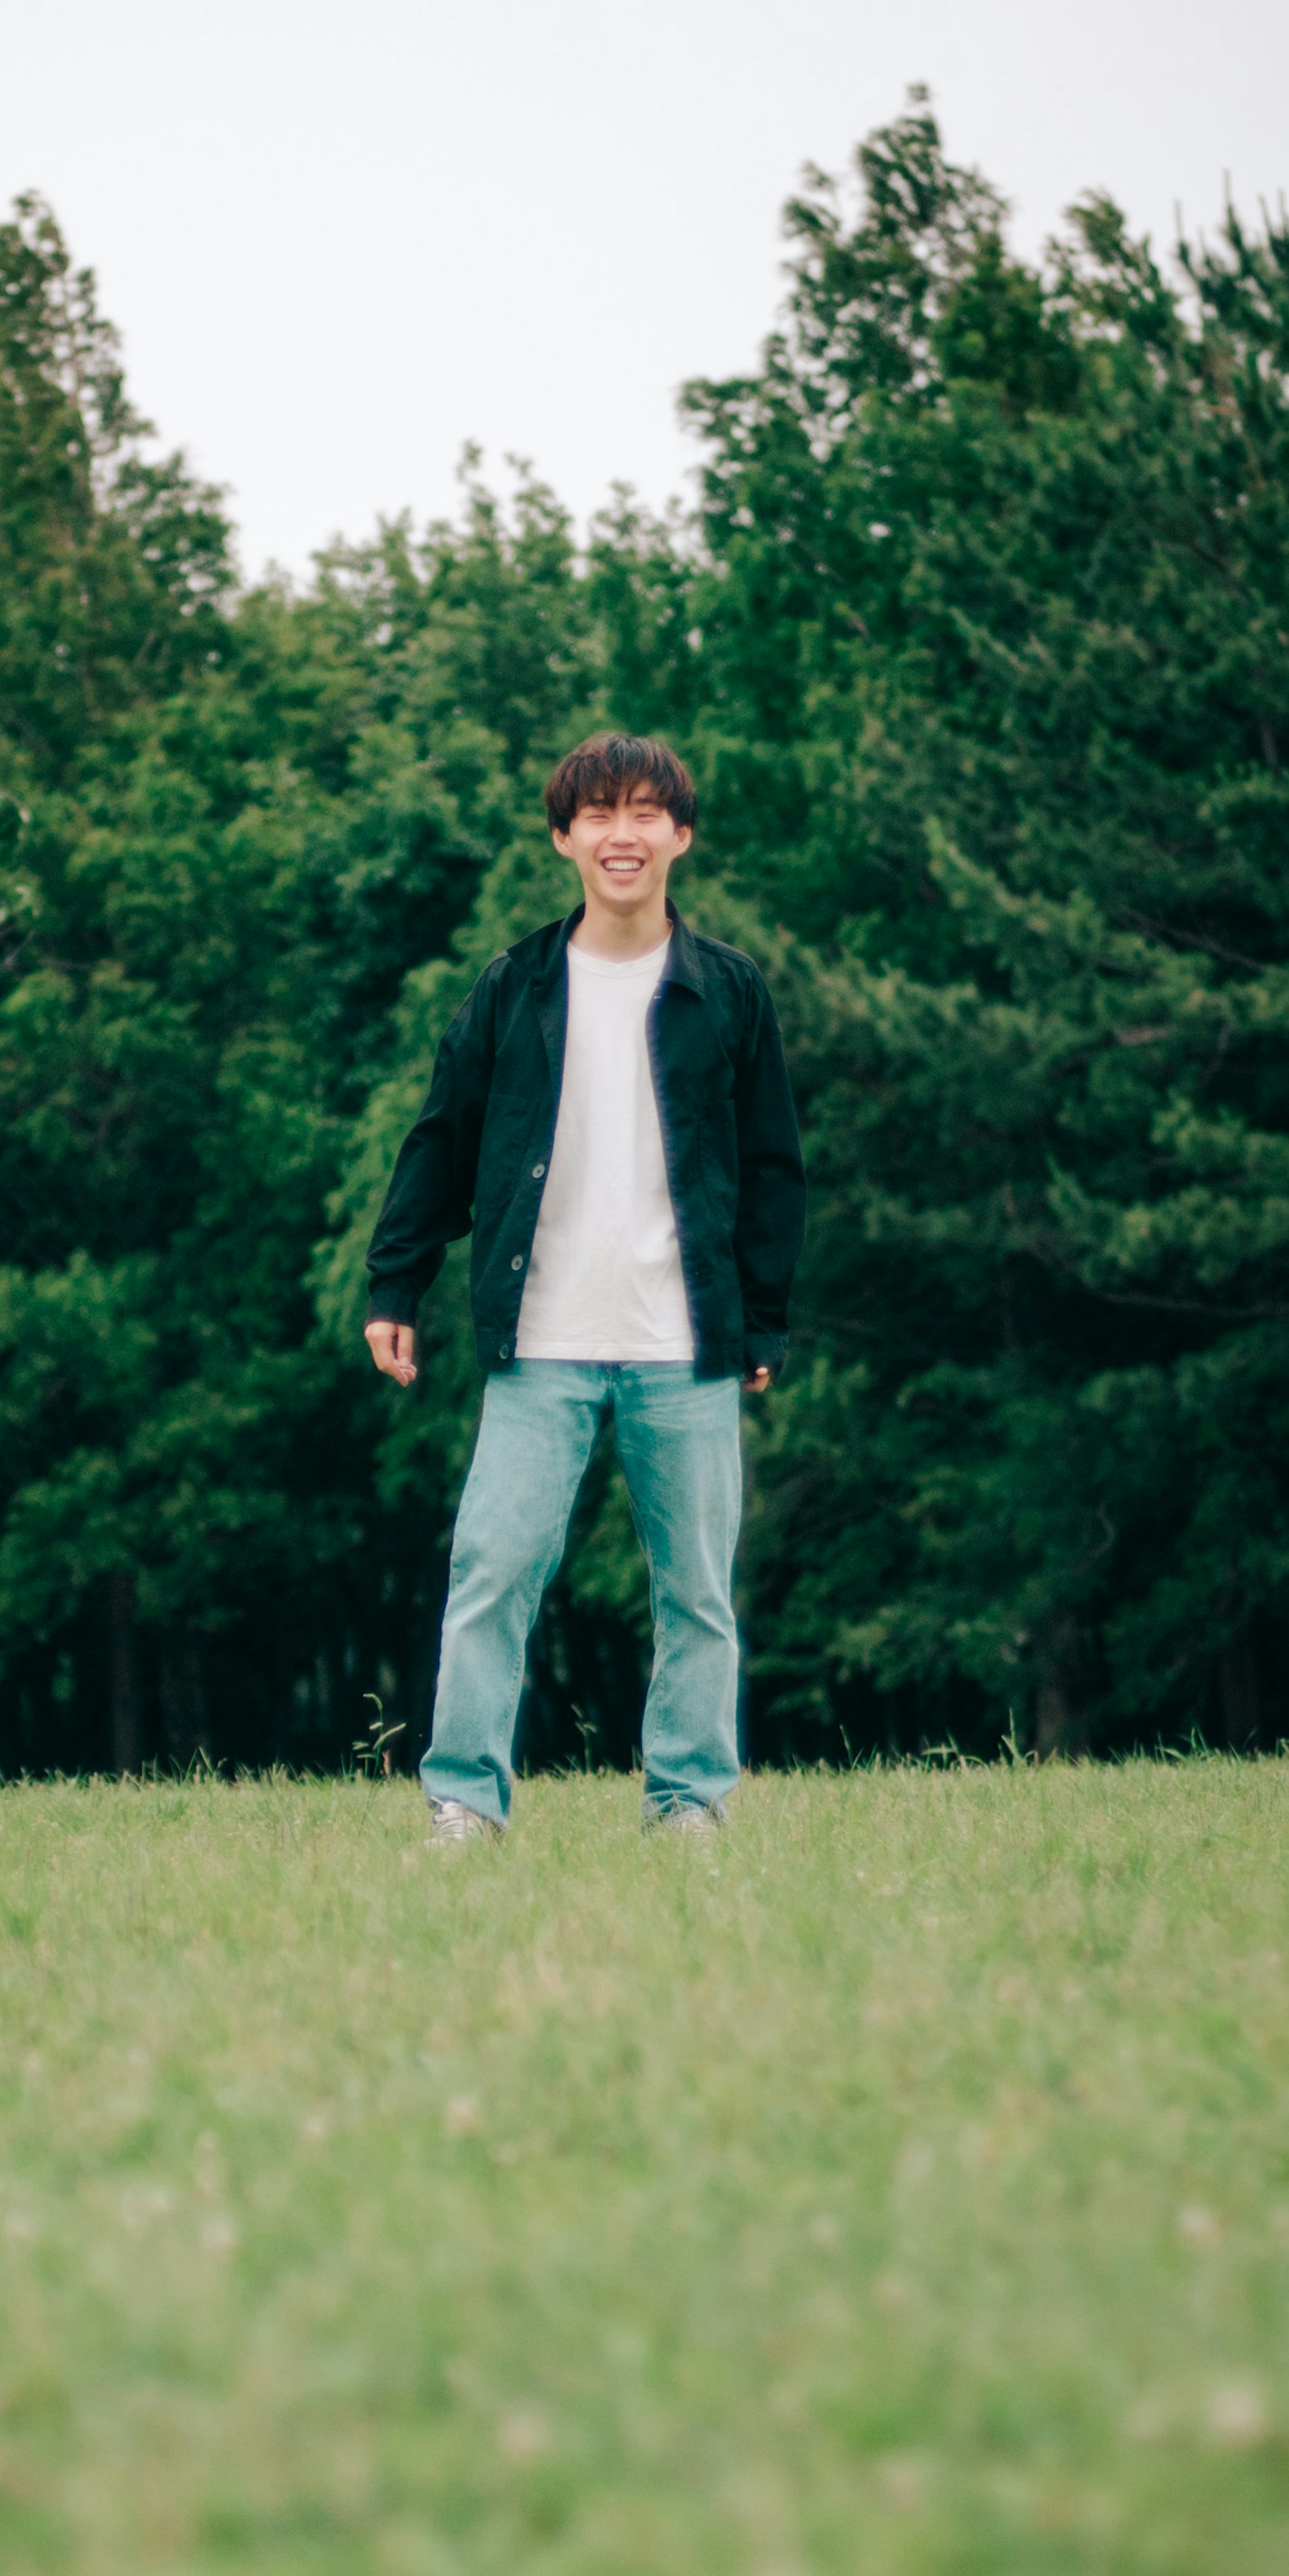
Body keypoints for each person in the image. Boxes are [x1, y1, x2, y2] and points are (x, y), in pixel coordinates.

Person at [361, 731, 806, 1840]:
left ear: (681, 837)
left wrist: (764, 1317)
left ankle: (690, 1807)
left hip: (686, 1341)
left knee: (697, 1595)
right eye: (599, 814)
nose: (623, 833)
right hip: (541, 1342)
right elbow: (441, 1143)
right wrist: (393, 1285)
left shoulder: (730, 993)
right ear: (564, 837)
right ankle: (464, 1805)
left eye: (646, 813)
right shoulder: (514, 988)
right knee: (492, 1574)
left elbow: (773, 1168)